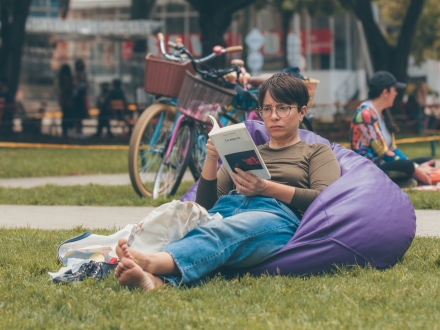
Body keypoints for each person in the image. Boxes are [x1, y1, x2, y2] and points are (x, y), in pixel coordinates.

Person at [114, 73, 341, 291]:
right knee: (192, 220)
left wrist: (265, 188)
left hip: (275, 217)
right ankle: (154, 282)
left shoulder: (316, 152)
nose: (273, 116)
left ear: (302, 112)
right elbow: (205, 206)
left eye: (283, 108)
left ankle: (153, 262)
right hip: (228, 209)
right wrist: (212, 158)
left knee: (223, 230)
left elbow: (326, 200)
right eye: (267, 109)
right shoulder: (247, 150)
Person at [350, 71, 436, 187]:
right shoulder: (365, 114)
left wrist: (415, 165)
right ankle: (409, 179)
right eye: (394, 90)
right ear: (385, 92)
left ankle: (407, 180)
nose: (396, 94)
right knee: (408, 167)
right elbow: (383, 152)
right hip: (368, 170)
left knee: (428, 161)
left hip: (385, 165)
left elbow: (392, 149)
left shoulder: (382, 113)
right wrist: (414, 168)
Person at [73, 59, 89, 137]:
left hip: (82, 96)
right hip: (77, 97)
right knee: (77, 115)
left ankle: (80, 131)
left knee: (81, 115)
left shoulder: (83, 75)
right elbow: (75, 85)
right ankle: (77, 131)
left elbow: (86, 85)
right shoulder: (76, 75)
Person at [58, 64, 75, 137]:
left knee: (65, 115)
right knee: (68, 115)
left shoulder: (61, 78)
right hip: (68, 100)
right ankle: (66, 130)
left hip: (64, 100)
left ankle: (65, 131)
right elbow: (69, 88)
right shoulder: (67, 78)